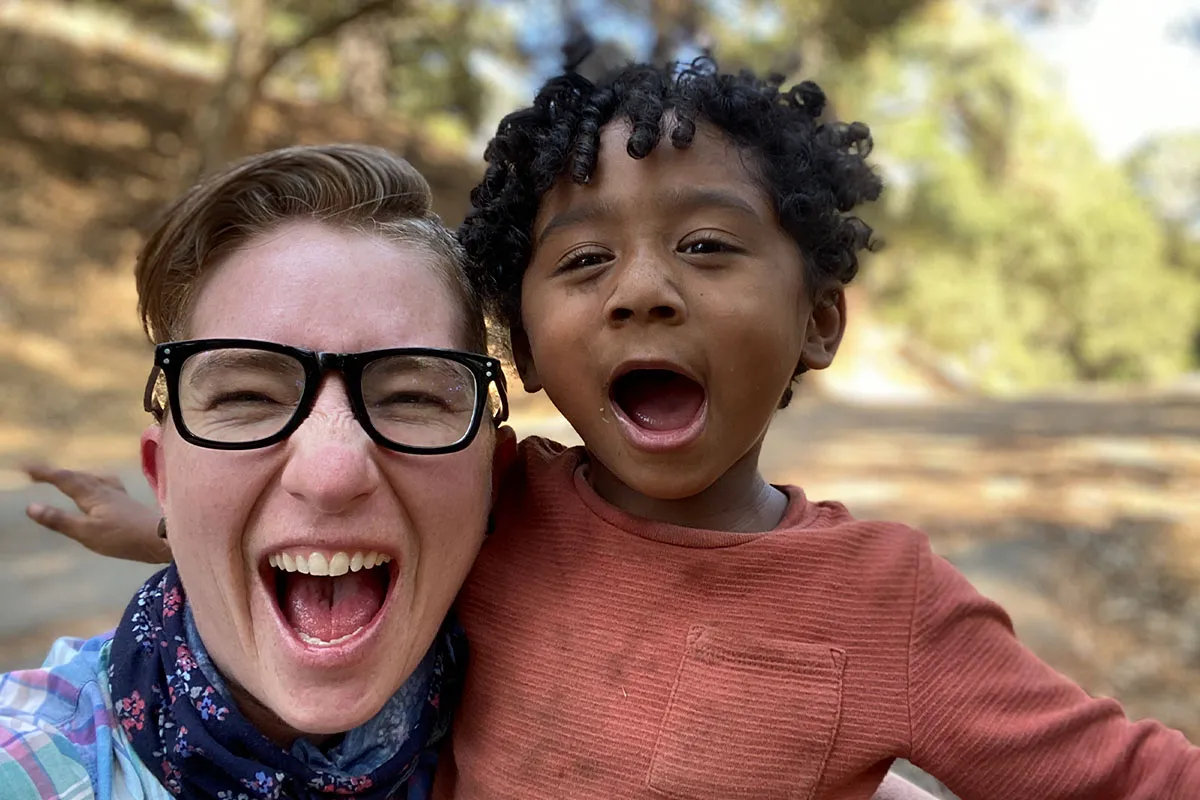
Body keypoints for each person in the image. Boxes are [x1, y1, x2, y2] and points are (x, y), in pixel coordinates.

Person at [1, 144, 505, 799]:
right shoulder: (32, 760)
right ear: (163, 479)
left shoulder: (571, 732)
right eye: (247, 398)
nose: (331, 475)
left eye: (411, 397)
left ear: (493, 473)